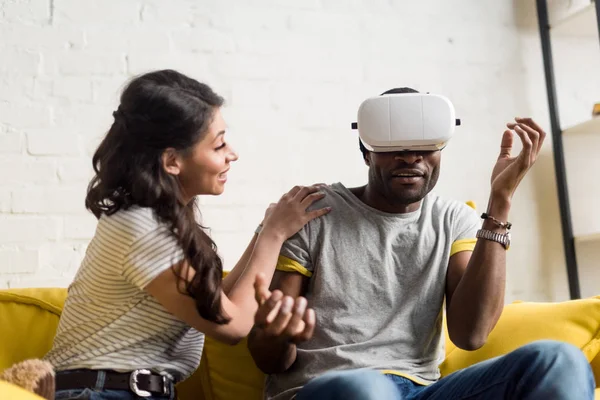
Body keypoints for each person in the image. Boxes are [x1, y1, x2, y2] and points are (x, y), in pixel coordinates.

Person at [248, 88, 596, 400]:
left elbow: (471, 334)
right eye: (392, 145)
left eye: (424, 145)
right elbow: (271, 362)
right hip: (335, 387)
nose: (410, 156)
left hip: (424, 391)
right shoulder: (312, 212)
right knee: (365, 388)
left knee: (558, 359)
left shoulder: (452, 219)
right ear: (367, 152)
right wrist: (272, 331)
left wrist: (500, 199)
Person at [43, 69, 330, 400]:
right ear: (172, 161)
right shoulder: (142, 229)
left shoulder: (154, 217)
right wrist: (273, 235)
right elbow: (232, 326)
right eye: (219, 144)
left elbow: (212, 302)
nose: (232, 154)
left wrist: (265, 231)